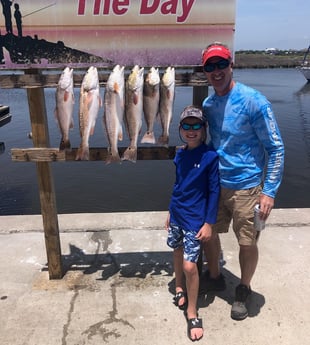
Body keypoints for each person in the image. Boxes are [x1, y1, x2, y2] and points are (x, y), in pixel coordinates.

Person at [201, 42, 285, 321]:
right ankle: (214, 276)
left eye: (221, 64)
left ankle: (244, 288)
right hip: (216, 183)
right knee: (207, 233)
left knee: (247, 242)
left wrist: (269, 192)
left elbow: (275, 148)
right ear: (205, 71)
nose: (216, 71)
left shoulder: (254, 101)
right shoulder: (208, 104)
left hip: (248, 187)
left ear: (231, 65)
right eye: (210, 66)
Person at [165, 105, 220, 341]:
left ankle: (192, 312)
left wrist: (208, 223)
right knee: (177, 252)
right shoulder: (179, 154)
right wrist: (169, 210)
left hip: (195, 220)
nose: (191, 130)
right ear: (180, 129)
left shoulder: (210, 157)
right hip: (177, 214)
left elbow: (214, 191)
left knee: (191, 266)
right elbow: (179, 186)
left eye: (196, 125)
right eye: (186, 126)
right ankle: (179, 287)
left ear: (204, 129)